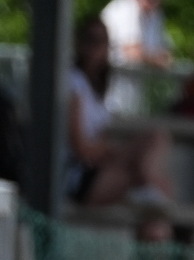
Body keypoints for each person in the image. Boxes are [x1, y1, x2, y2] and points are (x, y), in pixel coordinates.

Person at [68, 16, 176, 209]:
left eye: (102, 41)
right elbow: (81, 149)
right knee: (150, 187)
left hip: (97, 169)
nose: (95, 47)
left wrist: (108, 151)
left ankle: (155, 199)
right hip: (76, 177)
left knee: (156, 138)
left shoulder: (96, 88)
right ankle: (159, 201)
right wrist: (108, 151)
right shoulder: (73, 83)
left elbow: (99, 141)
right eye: (90, 39)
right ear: (79, 43)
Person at [101, 0, 175, 115]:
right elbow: (132, 53)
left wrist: (153, 57)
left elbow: (166, 53)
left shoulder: (155, 15)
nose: (154, 1)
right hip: (110, 96)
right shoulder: (125, 8)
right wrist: (155, 59)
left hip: (135, 97)